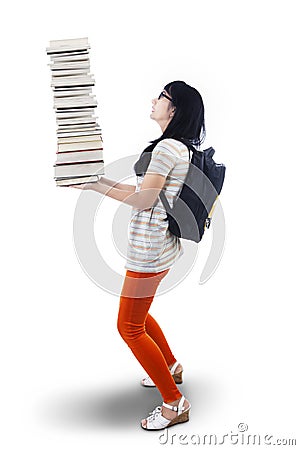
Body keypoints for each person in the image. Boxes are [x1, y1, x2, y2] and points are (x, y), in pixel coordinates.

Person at [71, 80, 206, 430]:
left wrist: (96, 186)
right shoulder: (179, 147)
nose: (154, 100)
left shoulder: (166, 150)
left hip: (148, 251)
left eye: (161, 97)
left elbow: (144, 199)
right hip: (161, 247)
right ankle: (172, 367)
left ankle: (175, 404)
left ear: (173, 110)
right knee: (139, 316)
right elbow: (148, 192)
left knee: (128, 326)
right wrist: (95, 182)